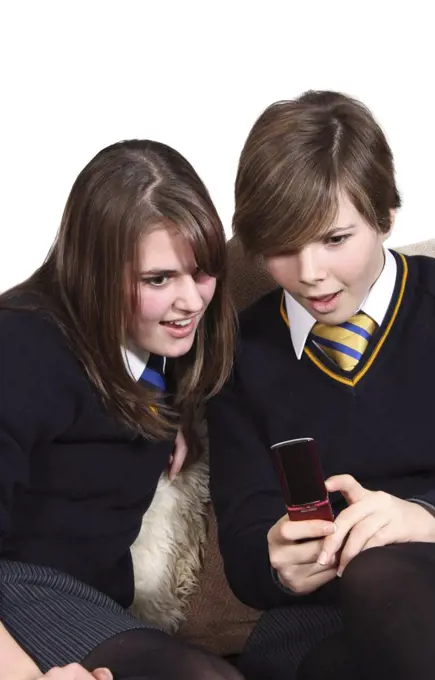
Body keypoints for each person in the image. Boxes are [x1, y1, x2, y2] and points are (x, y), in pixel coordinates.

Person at [207, 90, 435, 680]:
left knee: (383, 571)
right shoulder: (237, 354)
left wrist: (431, 518)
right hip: (320, 622)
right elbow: (244, 536)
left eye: (335, 239)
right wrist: (275, 561)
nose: (310, 273)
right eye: (283, 248)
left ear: (386, 217)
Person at [0, 140, 242, 680]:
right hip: (14, 589)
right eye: (158, 280)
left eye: (202, 271)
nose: (192, 301)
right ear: (95, 272)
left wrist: (168, 418)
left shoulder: (170, 344)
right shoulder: (19, 349)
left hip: (94, 601)